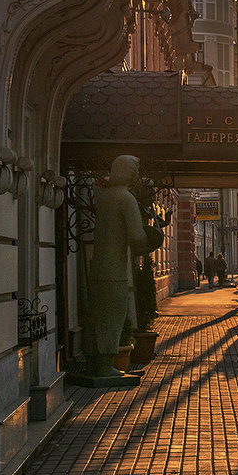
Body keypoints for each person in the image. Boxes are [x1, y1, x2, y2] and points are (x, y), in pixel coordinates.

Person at [87, 155, 152, 377]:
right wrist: (150, 237)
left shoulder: (104, 197)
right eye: (134, 170)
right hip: (114, 270)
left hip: (97, 267)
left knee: (97, 316)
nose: (136, 175)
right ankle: (106, 367)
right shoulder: (126, 198)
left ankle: (95, 364)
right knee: (113, 317)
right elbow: (136, 236)